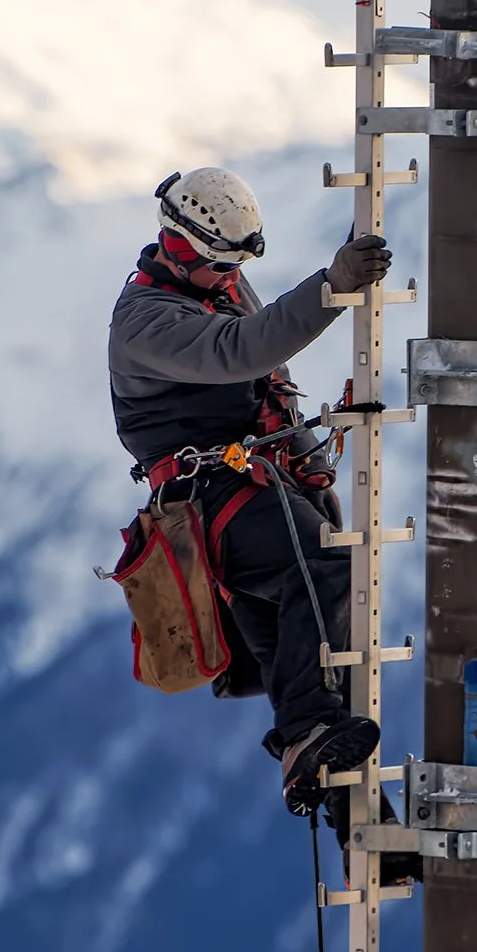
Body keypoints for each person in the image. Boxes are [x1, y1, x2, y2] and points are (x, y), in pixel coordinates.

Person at [108, 167, 400, 827]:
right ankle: (309, 735)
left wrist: (312, 469)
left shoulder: (217, 285)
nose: (228, 277)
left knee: (304, 641)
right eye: (218, 265)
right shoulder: (145, 321)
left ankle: (356, 806)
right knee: (325, 569)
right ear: (180, 246)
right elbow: (244, 350)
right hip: (208, 497)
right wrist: (331, 288)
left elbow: (270, 377)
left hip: (248, 480)